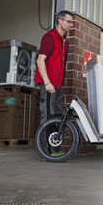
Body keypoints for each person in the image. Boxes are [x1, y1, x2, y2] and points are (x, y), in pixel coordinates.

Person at [34, 10, 73, 156]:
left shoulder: (65, 41)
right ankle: (47, 151)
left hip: (57, 85)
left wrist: (58, 84)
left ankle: (54, 147)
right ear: (60, 21)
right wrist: (47, 83)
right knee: (48, 116)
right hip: (48, 85)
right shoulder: (50, 37)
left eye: (72, 22)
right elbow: (40, 60)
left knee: (57, 115)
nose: (71, 24)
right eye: (69, 21)